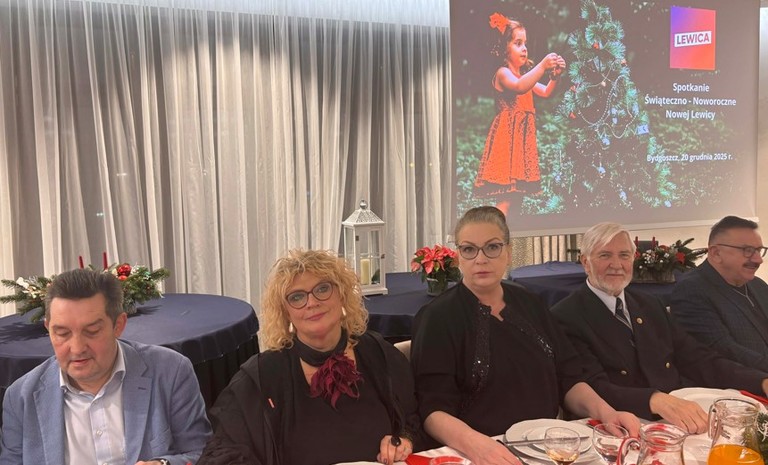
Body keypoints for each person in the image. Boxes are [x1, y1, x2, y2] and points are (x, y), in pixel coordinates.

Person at [410, 206, 639, 465]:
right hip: (477, 453)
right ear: (458, 257)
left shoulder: (531, 303)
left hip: (549, 448)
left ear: (508, 253)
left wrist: (607, 413)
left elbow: (569, 377)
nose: (481, 259)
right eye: (469, 249)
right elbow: (432, 411)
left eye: (492, 247)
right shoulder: (437, 317)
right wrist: (479, 447)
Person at [197, 249, 423, 465]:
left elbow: (414, 419)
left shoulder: (378, 354)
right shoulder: (262, 377)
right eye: (297, 297)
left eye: (322, 289)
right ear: (286, 312)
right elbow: (223, 453)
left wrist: (403, 441)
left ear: (342, 294)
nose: (312, 302)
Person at [551, 222, 768, 434]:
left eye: (624, 255)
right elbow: (590, 386)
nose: (616, 264)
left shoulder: (649, 305)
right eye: (605, 255)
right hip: (620, 427)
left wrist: (759, 381)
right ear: (585, 262)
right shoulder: (566, 315)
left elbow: (697, 358)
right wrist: (654, 400)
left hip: (677, 420)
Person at [0, 268, 211, 465]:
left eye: (92, 331)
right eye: (62, 333)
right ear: (48, 328)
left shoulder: (170, 372)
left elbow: (204, 454)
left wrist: (163, 464)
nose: (77, 348)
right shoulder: (20, 397)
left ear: (118, 325)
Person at [473, 13, 566, 215]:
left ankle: (510, 227)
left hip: (521, 141)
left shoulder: (524, 75)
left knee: (517, 195)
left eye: (525, 43)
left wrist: (555, 77)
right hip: (507, 141)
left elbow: (546, 92)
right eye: (518, 43)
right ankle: (498, 228)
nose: (524, 48)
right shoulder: (503, 73)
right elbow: (519, 87)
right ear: (503, 48)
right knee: (506, 196)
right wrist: (542, 65)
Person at [671, 216, 768, 373]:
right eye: (748, 250)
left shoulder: (758, 285)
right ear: (716, 253)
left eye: (759, 250)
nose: (758, 260)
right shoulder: (692, 290)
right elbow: (723, 350)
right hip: (739, 383)